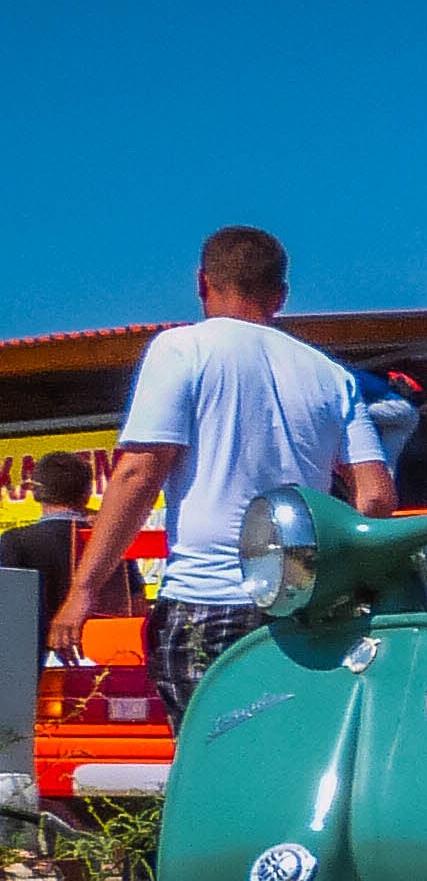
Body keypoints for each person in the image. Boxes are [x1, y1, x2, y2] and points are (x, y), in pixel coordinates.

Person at [60, 227, 394, 712]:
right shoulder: (331, 375)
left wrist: (84, 590)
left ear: (202, 282)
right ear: (281, 296)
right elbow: (376, 498)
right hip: (302, 607)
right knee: (291, 748)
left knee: (212, 751)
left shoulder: (181, 349)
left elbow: (139, 474)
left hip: (207, 601)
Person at [2, 455, 133, 656]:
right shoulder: (109, 541)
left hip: (32, 659)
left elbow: (8, 613)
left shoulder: (15, 541)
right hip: (105, 656)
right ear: (87, 494)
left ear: (36, 493)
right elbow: (136, 602)